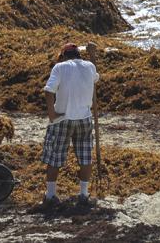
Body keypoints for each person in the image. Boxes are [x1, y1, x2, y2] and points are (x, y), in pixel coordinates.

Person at [41, 41, 99, 207]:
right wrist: (93, 56)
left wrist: (52, 114)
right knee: (85, 156)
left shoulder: (60, 68)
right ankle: (83, 193)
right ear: (79, 55)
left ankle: (51, 195)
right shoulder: (90, 66)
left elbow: (48, 90)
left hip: (62, 119)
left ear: (63, 56)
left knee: (55, 157)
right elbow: (95, 79)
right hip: (84, 118)